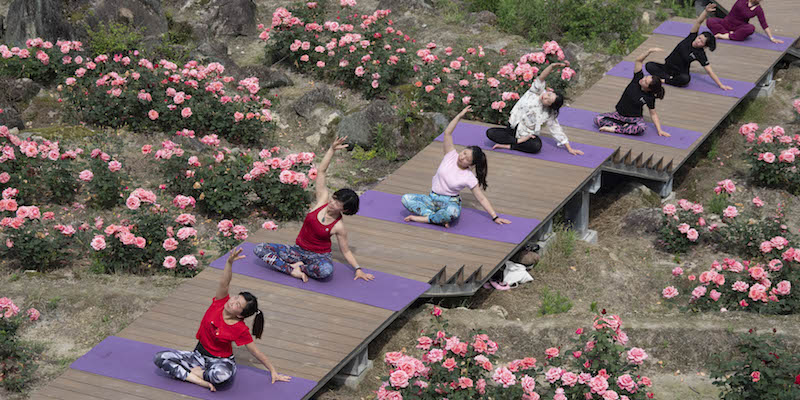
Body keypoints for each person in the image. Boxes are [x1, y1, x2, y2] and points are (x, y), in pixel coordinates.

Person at [153, 247, 290, 392]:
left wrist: (273, 371)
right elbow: (225, 283)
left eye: (237, 305)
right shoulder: (220, 302)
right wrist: (229, 263)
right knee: (160, 357)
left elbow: (255, 352)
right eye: (235, 298)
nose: (232, 302)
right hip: (197, 356)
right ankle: (198, 380)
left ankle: (195, 374)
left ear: (240, 315)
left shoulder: (240, 329)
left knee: (221, 376)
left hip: (220, 361)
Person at [253, 137, 375, 283]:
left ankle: (301, 267)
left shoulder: (338, 226)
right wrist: (332, 149)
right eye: (334, 198)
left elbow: (346, 251)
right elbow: (321, 172)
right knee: (260, 249)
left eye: (338, 203)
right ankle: (292, 270)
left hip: (318, 257)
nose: (332, 203)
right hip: (297, 251)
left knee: (326, 271)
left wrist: (358, 269)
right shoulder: (322, 200)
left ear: (345, 209)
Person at [402, 105, 512, 228]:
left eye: (467, 159)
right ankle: (436, 218)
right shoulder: (450, 155)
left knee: (452, 213)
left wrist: (495, 217)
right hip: (432, 199)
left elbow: (481, 199)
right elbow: (447, 133)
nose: (462, 157)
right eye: (464, 153)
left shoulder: (469, 177)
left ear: (471, 164)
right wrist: (459, 116)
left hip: (449, 203)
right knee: (406, 199)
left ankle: (424, 218)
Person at [486, 62, 584, 156]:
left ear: (549, 106)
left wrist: (569, 148)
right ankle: (516, 142)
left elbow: (556, 129)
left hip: (525, 135)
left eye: (548, 101)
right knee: (491, 132)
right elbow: (541, 78)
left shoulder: (548, 113)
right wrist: (551, 66)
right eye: (549, 94)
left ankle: (510, 145)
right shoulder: (536, 91)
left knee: (536, 146)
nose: (545, 97)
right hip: (512, 128)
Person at [646, 3, 733, 90]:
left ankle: (664, 80)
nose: (698, 41)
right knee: (649, 65)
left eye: (701, 42)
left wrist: (721, 85)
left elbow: (710, 71)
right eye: (699, 38)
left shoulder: (700, 54)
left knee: (685, 79)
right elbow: (699, 22)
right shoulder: (691, 37)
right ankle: (669, 78)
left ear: (704, 46)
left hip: (679, 72)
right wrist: (706, 11)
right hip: (667, 67)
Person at [593, 48, 669, 137]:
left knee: (641, 128)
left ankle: (615, 129)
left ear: (649, 89)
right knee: (598, 119)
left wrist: (659, 130)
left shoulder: (649, 97)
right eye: (645, 78)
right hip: (618, 115)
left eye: (645, 82)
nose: (643, 79)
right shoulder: (637, 78)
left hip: (634, 119)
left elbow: (653, 114)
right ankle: (624, 127)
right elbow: (638, 61)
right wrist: (648, 51)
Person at [706, 0, 784, 43]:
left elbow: (764, 24)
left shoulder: (758, 9)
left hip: (739, 27)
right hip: (726, 23)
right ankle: (730, 34)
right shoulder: (742, 1)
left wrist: (771, 38)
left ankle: (725, 36)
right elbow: (743, 11)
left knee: (751, 28)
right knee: (710, 21)